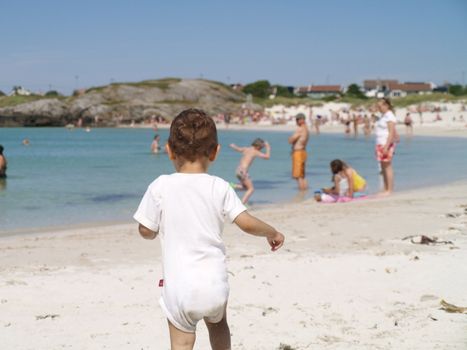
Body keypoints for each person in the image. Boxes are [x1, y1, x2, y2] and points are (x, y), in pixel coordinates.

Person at [133, 109, 285, 350]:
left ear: (169, 150)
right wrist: (272, 232)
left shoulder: (160, 186)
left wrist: (151, 231)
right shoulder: (220, 187)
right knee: (218, 325)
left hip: (179, 287)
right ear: (215, 152)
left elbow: (145, 229)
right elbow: (246, 223)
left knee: (182, 341)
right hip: (214, 284)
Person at [230, 138, 271, 204]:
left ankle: (233, 186)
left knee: (246, 187)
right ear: (258, 146)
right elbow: (267, 157)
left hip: (238, 171)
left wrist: (233, 146)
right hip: (243, 171)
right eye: (261, 148)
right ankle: (241, 204)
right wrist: (268, 147)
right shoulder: (255, 152)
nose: (261, 149)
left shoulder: (246, 149)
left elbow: (238, 149)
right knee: (251, 189)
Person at [375, 98, 397, 195]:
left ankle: (389, 189)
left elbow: (391, 132)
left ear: (386, 105)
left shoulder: (389, 116)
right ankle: (385, 188)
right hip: (380, 143)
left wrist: (387, 146)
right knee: (382, 166)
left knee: (387, 166)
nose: (379, 108)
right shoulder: (383, 116)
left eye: (380, 106)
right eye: (378, 106)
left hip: (386, 143)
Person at [288, 113, 309, 190]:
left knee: (298, 176)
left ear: (301, 120)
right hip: (303, 152)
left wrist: (290, 139)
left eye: (297, 120)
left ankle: (301, 192)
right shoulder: (306, 129)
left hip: (298, 153)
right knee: (302, 175)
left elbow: (291, 140)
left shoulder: (300, 129)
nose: (296, 122)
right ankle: (304, 193)